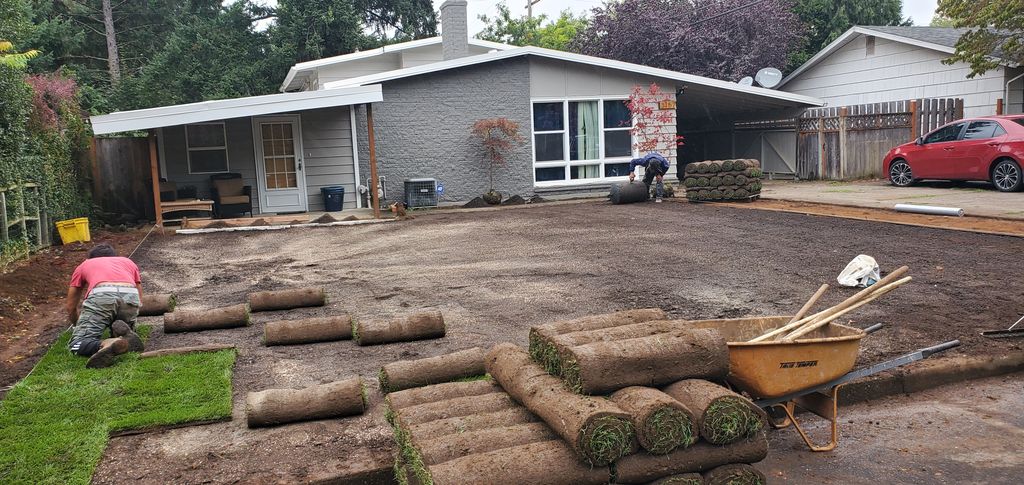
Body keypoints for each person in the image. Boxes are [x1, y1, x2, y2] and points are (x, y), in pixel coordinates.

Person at [66, 243, 145, 368]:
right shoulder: (128, 262)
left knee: (77, 343)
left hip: (102, 294)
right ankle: (124, 335)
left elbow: (71, 306)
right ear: (114, 256)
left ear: (91, 258)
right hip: (130, 295)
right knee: (120, 323)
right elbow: (140, 298)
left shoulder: (85, 264)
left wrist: (78, 326)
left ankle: (108, 343)